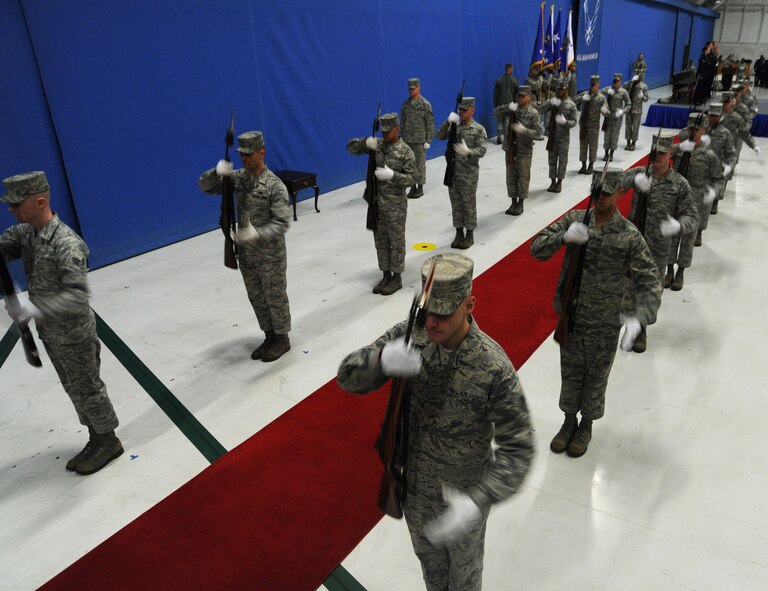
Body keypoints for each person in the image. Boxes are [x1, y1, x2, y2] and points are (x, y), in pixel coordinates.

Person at [337, 252, 534, 591]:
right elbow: (347, 377)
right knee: (432, 574)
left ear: (469, 305)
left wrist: (478, 499)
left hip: (463, 502)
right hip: (414, 492)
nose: (431, 324)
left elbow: (519, 450)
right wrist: (382, 360)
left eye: (443, 313)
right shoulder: (412, 335)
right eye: (427, 312)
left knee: (464, 582)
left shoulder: (492, 367)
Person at [530, 168, 661, 457]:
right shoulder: (576, 220)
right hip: (573, 315)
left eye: (606, 194)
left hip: (605, 319)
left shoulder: (628, 235)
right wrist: (563, 237)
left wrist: (640, 318)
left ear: (621, 194)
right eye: (596, 192)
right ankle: (568, 422)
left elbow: (650, 278)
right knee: (571, 372)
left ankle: (586, 425)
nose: (599, 198)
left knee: (597, 375)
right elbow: (536, 249)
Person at [1, 171, 122, 475]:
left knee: (88, 388)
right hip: (51, 333)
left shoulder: (67, 243)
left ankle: (109, 440)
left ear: (40, 201)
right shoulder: (27, 233)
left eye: (17, 205)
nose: (10, 211)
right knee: (73, 388)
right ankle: (95, 437)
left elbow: (77, 298)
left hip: (74, 334)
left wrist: (32, 311)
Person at [199, 131, 293, 360]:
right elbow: (206, 187)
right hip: (247, 256)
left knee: (275, 297)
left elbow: (281, 224)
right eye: (242, 155)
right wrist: (216, 172)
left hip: (270, 256)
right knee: (257, 297)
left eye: (249, 155)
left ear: (262, 153)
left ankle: (282, 339)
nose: (244, 159)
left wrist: (256, 234)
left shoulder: (275, 186)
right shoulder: (239, 178)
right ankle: (269, 335)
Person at [620, 134, 697, 351]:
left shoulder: (679, 184)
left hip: (658, 248)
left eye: (662, 153)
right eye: (654, 153)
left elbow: (692, 216)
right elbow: (611, 185)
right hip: (633, 243)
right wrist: (630, 180)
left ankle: (641, 328)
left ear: (671, 154)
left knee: (650, 290)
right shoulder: (640, 174)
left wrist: (678, 225)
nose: (657, 157)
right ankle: (630, 324)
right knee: (629, 285)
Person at [346, 114, 416, 293]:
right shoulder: (378, 146)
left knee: (396, 242)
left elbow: (412, 178)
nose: (385, 135)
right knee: (381, 242)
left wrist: (393, 176)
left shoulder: (406, 151)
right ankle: (385, 275)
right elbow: (350, 147)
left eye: (388, 131)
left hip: (395, 206)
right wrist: (365, 143)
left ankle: (397, 277)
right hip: (377, 204)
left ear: (397, 128)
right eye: (382, 131)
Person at [664, 114, 724, 290]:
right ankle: (669, 270)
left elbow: (718, 178)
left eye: (696, 129)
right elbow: (661, 154)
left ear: (703, 131)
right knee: (672, 238)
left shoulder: (709, 156)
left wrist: (713, 192)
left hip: (695, 204)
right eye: (690, 129)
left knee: (687, 239)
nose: (693, 132)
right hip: (675, 201)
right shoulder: (679, 149)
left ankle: (681, 271)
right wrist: (678, 148)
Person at [436, 97, 487, 249]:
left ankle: (469, 234)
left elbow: (482, 149)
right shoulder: (455, 127)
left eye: (465, 110)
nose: (462, 112)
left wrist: (469, 152)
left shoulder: (478, 129)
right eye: (460, 110)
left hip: (469, 173)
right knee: (456, 204)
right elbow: (439, 135)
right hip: (453, 172)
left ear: (473, 110)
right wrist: (448, 122)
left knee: (468, 204)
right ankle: (459, 233)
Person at [502, 86, 543, 215]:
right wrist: (507, 108)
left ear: (529, 97)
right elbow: (496, 112)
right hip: (510, 149)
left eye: (523, 96)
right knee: (511, 177)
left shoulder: (533, 113)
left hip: (524, 150)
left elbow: (539, 134)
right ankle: (513, 202)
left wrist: (525, 131)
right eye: (518, 96)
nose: (520, 98)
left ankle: (520, 203)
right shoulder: (513, 110)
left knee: (523, 177)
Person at [539, 79, 578, 193]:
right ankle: (552, 181)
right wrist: (550, 102)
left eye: (561, 89)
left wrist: (565, 122)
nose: (559, 91)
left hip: (563, 138)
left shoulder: (571, 105)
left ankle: (559, 182)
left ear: (566, 90)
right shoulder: (554, 101)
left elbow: (574, 122)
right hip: (552, 136)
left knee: (562, 161)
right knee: (551, 160)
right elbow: (541, 109)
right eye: (558, 89)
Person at [400, 78, 435, 199]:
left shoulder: (425, 104)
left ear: (419, 88)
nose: (411, 91)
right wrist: (402, 139)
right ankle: (412, 186)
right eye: (409, 89)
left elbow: (430, 124)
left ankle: (420, 187)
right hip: (408, 139)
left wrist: (428, 140)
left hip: (420, 140)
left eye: (413, 89)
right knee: (409, 164)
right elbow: (403, 123)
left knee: (420, 164)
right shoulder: (405, 105)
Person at [701, 102, 737, 214]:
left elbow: (731, 154)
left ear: (720, 116)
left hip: (717, 167)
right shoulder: (701, 130)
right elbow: (684, 134)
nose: (712, 118)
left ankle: (715, 202)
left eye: (715, 116)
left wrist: (728, 166)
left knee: (712, 200)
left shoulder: (725, 133)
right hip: (701, 165)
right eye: (711, 115)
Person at [576, 74, 608, 174]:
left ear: (598, 84)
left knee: (593, 146)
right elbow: (573, 100)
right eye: (592, 85)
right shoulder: (585, 94)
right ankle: (583, 165)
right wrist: (581, 98)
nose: (593, 87)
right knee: (583, 145)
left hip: (594, 126)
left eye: (595, 85)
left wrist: (604, 110)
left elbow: (607, 113)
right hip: (584, 125)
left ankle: (591, 165)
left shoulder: (601, 98)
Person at [601, 73, 630, 162]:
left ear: (620, 81)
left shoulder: (623, 92)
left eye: (618, 81)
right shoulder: (608, 89)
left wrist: (622, 111)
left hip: (617, 118)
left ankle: (611, 154)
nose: (616, 83)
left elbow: (629, 104)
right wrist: (603, 106)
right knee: (607, 136)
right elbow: (598, 95)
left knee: (614, 136)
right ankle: (606, 153)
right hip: (608, 117)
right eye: (615, 81)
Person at [493, 63, 519, 144]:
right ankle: (507, 137)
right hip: (509, 105)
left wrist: (495, 105)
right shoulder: (514, 81)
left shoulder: (499, 80)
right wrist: (515, 105)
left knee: (500, 121)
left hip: (500, 104)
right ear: (511, 69)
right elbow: (516, 95)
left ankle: (499, 135)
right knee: (508, 120)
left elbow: (495, 95)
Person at [623, 72, 649, 151]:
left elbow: (646, 98)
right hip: (629, 108)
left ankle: (633, 143)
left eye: (638, 75)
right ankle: (628, 143)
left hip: (637, 110)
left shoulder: (643, 86)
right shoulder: (630, 84)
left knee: (635, 127)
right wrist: (631, 81)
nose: (637, 77)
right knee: (628, 127)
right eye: (636, 75)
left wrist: (642, 97)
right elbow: (623, 88)